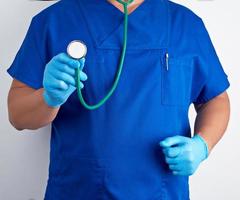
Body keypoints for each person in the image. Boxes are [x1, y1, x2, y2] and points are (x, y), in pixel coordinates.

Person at [6, 0, 230, 199]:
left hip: (162, 192)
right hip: (78, 191)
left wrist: (203, 145)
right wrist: (48, 98)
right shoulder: (54, 21)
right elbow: (17, 114)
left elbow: (215, 99)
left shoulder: (186, 24)